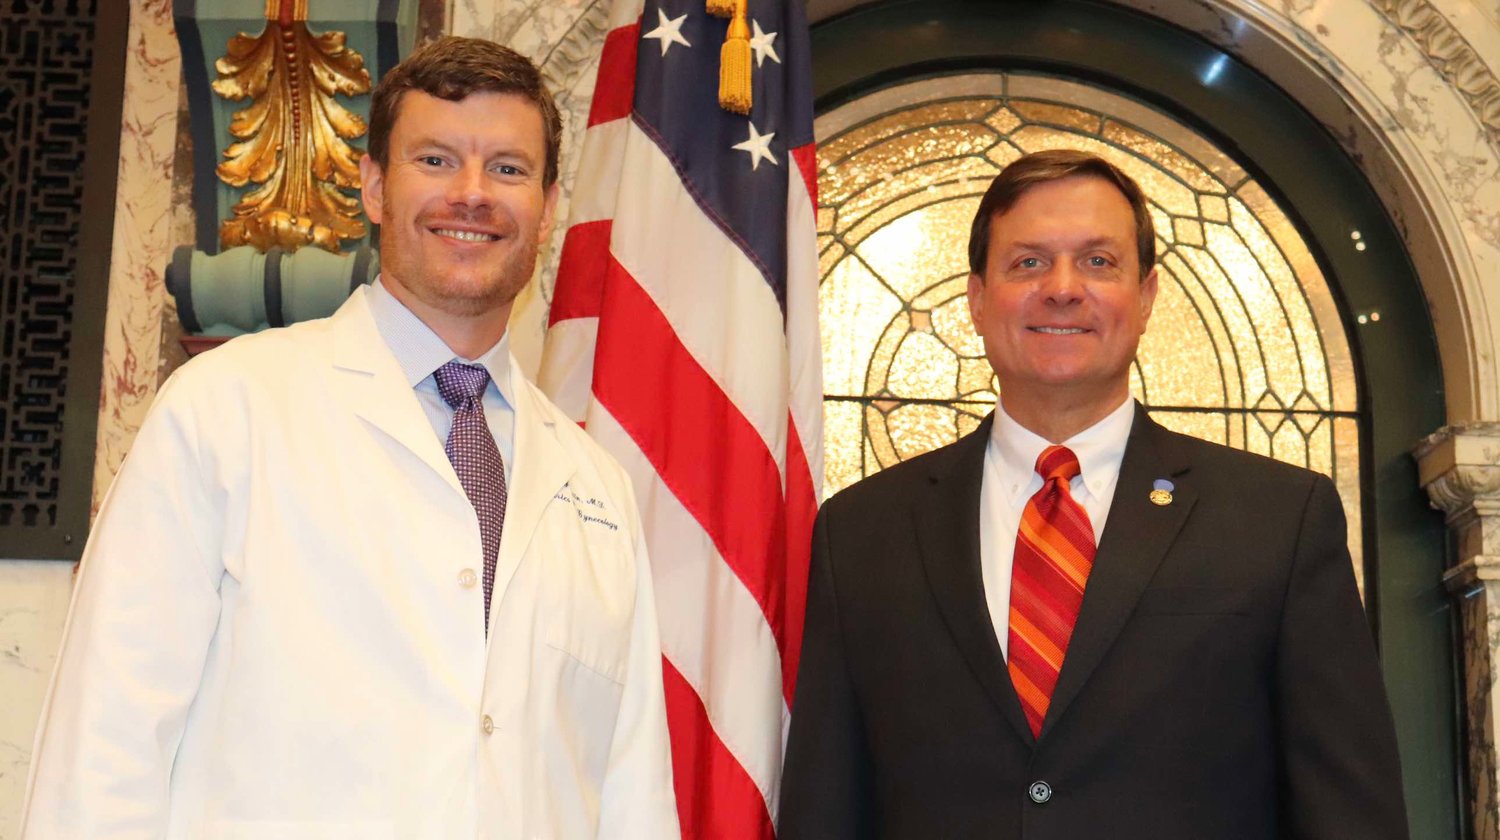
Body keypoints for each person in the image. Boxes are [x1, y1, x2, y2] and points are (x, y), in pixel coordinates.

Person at [21, 37, 679, 840]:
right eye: (435, 160)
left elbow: (631, 792)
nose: (471, 194)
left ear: (547, 207)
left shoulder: (598, 487)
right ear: (372, 185)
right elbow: (105, 745)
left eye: (507, 169)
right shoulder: (227, 410)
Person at [778, 149, 1407, 839]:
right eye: (1028, 262)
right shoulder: (864, 532)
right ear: (978, 300)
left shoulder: (1279, 520)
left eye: (1099, 262)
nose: (1063, 288)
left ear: (1146, 298)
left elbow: (1350, 815)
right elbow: (825, 809)